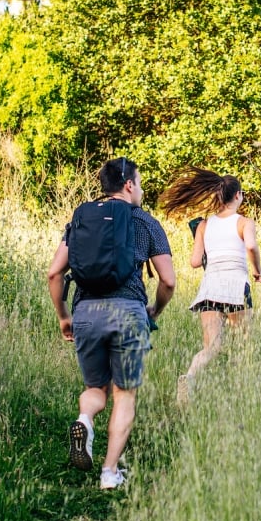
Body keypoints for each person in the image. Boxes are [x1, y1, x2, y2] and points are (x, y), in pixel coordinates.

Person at [48, 157, 175, 489]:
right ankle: (109, 473)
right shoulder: (145, 222)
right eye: (141, 182)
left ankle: (85, 420)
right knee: (124, 394)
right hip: (130, 313)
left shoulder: (82, 219)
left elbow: (53, 273)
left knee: (95, 389)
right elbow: (169, 281)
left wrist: (64, 316)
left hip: (86, 313)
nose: (142, 190)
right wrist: (154, 311)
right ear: (129, 185)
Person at [158, 167, 261, 404]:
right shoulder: (244, 222)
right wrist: (258, 271)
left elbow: (195, 262)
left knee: (212, 347)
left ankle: (190, 376)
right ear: (238, 195)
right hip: (236, 286)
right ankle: (243, 394)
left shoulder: (204, 225)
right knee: (244, 344)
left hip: (209, 289)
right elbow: (250, 246)